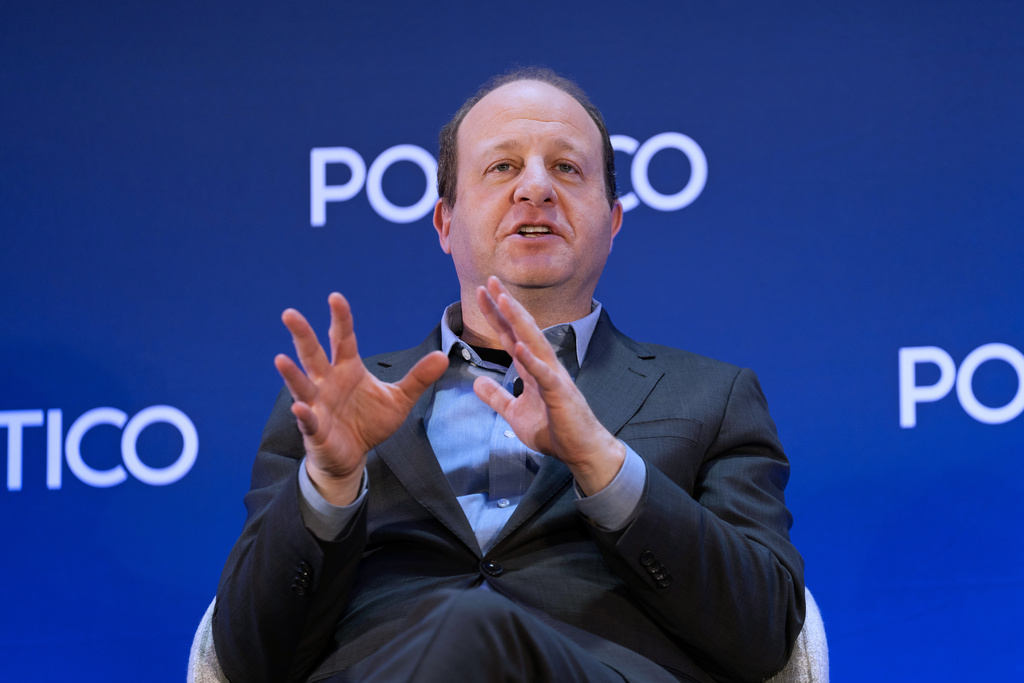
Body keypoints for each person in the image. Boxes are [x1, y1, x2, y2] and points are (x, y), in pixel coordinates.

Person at [213, 68, 805, 683]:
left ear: (613, 223)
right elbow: (246, 659)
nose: (537, 188)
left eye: (567, 168)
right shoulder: (334, 407)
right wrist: (330, 486)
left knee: (474, 624)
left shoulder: (711, 396)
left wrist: (602, 463)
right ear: (445, 224)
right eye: (502, 167)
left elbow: (763, 636)